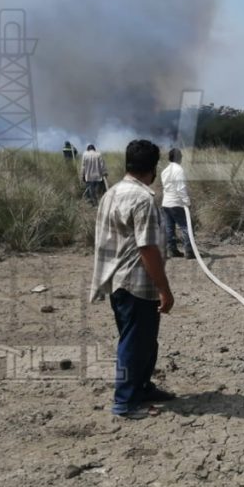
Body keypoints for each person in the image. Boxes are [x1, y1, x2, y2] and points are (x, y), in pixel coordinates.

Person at [89, 139, 176, 420]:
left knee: (145, 341)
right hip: (136, 283)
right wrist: (165, 290)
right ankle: (125, 402)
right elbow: (147, 248)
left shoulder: (110, 193)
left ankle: (143, 387)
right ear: (152, 168)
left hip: (116, 281)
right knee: (135, 343)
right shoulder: (143, 199)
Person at [160, 148, 194, 259]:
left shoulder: (165, 171)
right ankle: (189, 251)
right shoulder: (179, 170)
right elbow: (181, 188)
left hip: (166, 203)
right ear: (179, 157)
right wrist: (187, 202)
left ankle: (172, 250)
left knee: (169, 228)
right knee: (185, 226)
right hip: (176, 203)